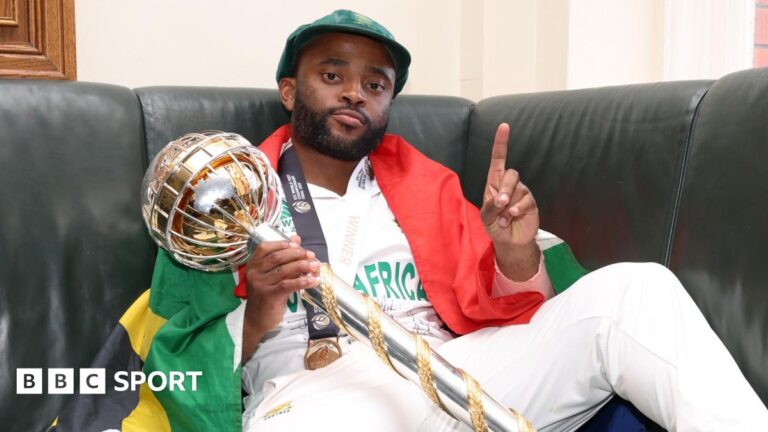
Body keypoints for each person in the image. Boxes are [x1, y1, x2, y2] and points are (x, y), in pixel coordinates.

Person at [226, 9, 768, 432]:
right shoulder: (235, 196)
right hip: (318, 392)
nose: (354, 93)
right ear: (290, 91)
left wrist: (514, 250)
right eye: (332, 75)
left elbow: (510, 312)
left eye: (375, 85)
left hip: (450, 371)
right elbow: (190, 353)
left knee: (637, 289)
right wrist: (261, 310)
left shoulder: (426, 186)